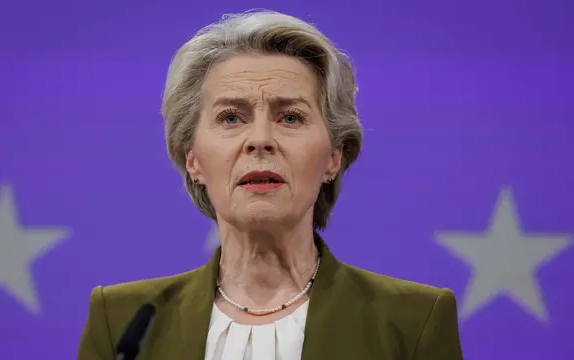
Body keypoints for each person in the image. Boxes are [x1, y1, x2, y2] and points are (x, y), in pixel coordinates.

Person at [77, 10, 463, 360]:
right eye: (231, 118)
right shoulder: (124, 323)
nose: (259, 139)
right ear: (192, 159)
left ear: (334, 157)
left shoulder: (412, 322)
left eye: (291, 118)